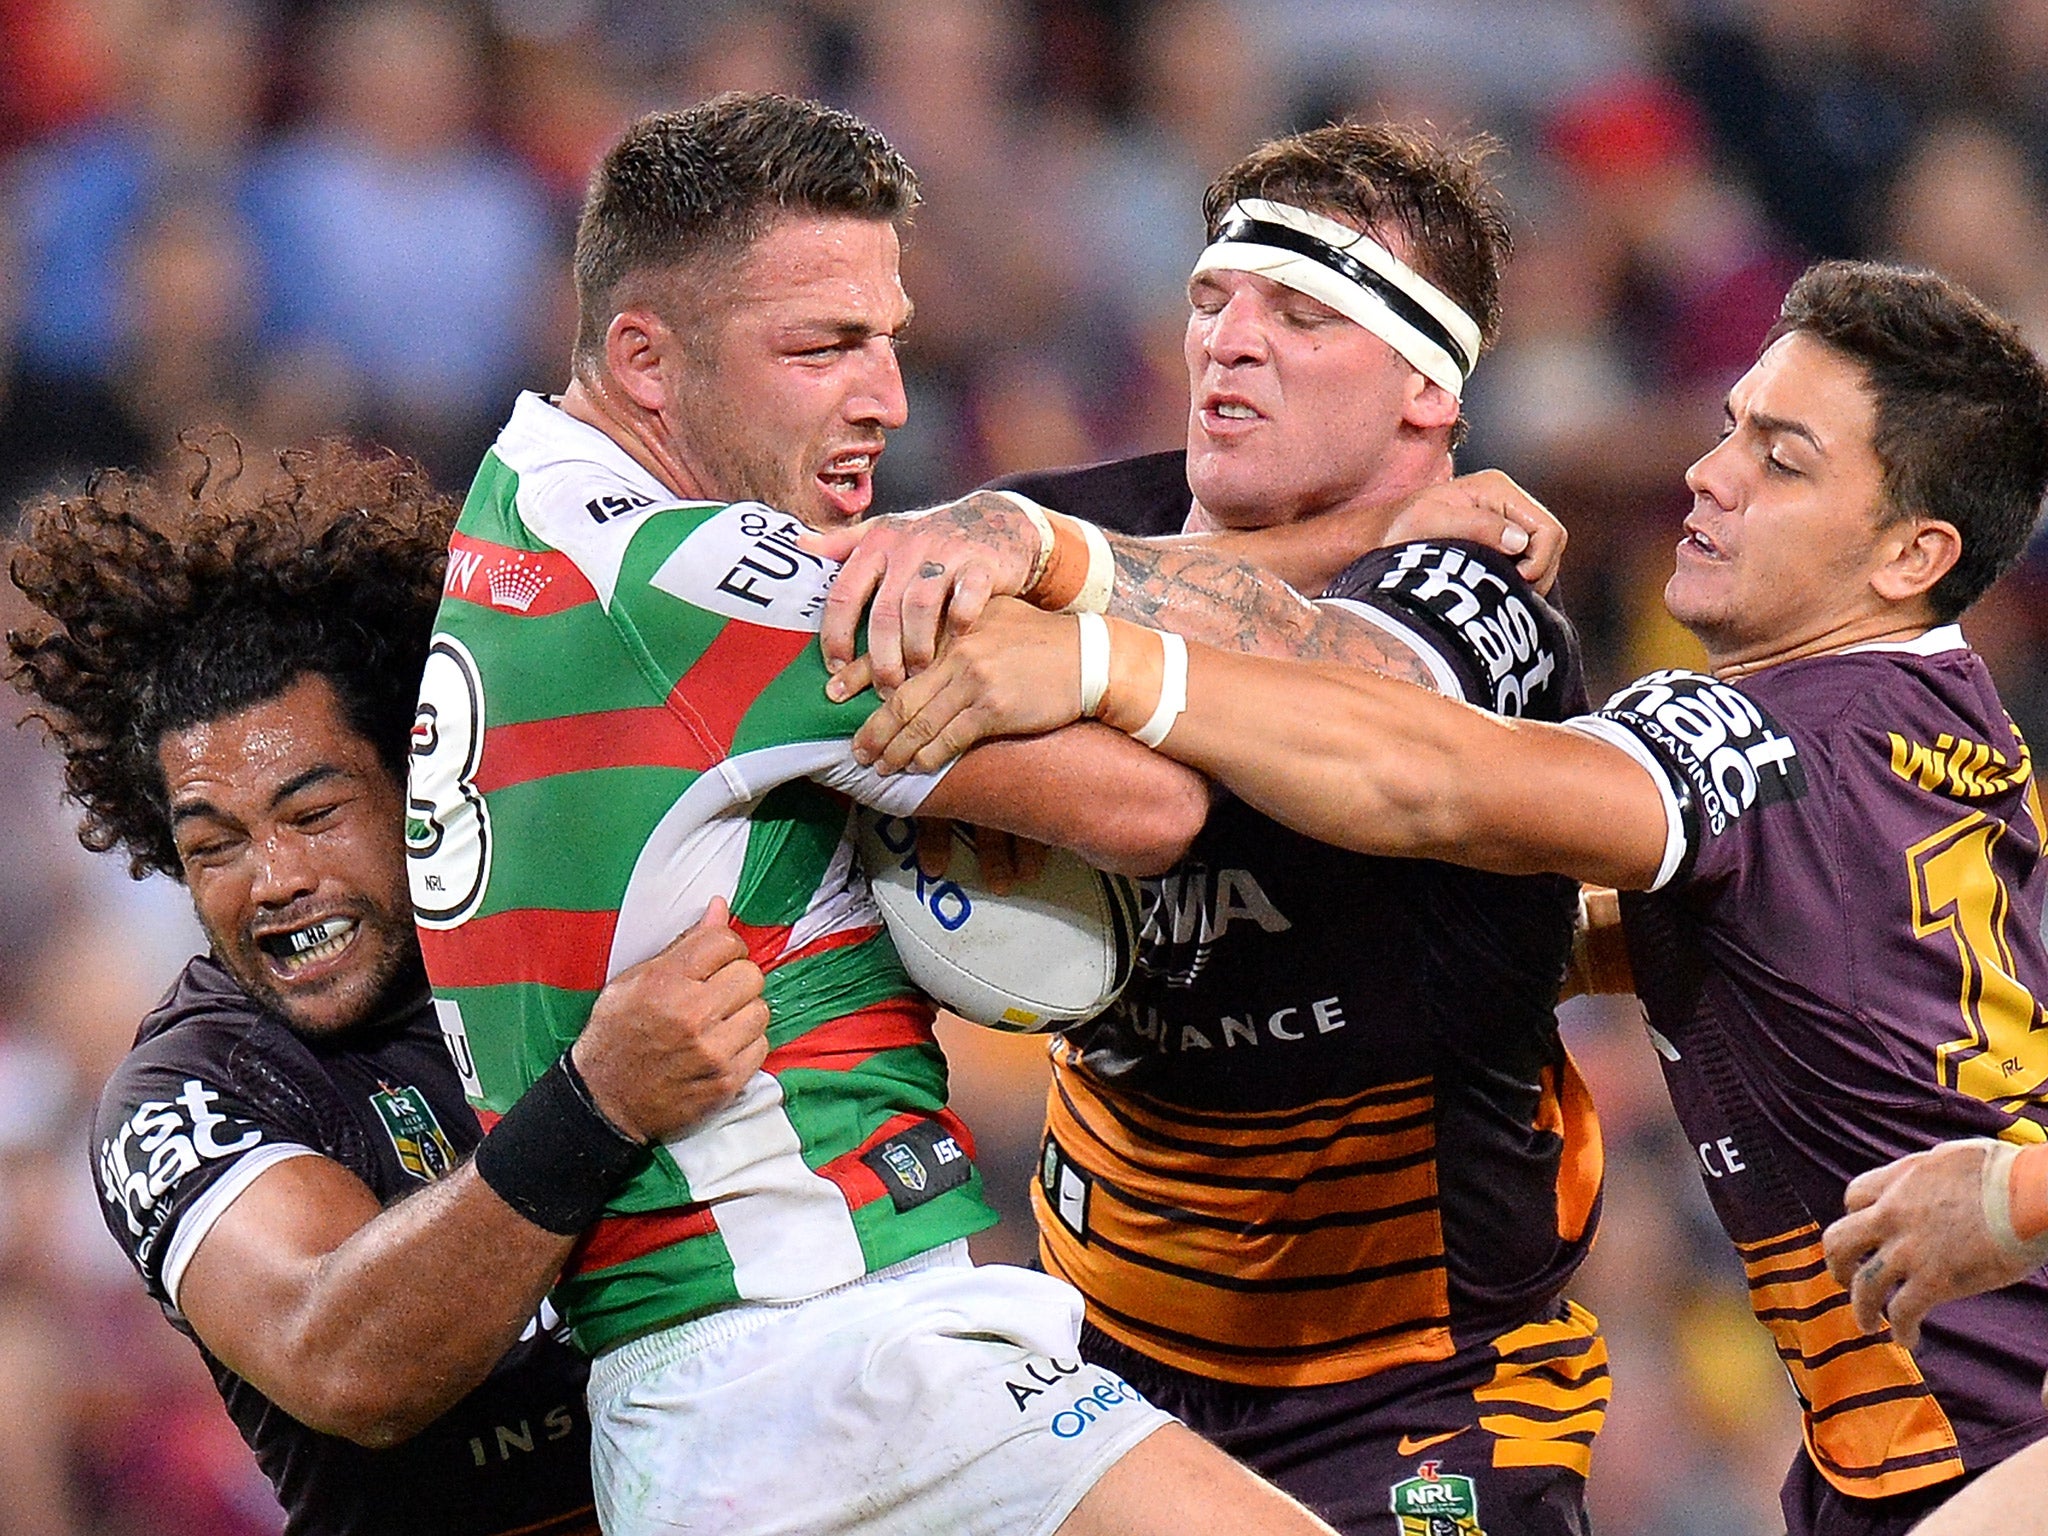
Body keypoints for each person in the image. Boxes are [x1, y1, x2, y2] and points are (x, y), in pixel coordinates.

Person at [843, 258, 2048, 1536]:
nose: (1709, 473)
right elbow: (1705, 953)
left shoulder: (1767, 744)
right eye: (1728, 425)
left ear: (1914, 553)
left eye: (1782, 459)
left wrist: (1097, 659)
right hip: (1898, 1452)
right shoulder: (1931, 727)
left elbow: (1426, 775)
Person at [406, 91, 1355, 1536]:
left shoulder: (532, 511)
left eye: (889, 337)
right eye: (822, 348)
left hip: (738, 1401)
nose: (887, 398)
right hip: (814, 1362)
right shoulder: (689, 578)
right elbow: (1147, 798)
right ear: (645, 359)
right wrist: (1356, 550)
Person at [805, 120, 1607, 1536]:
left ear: (1430, 386)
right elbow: (823, 593)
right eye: (1210, 301)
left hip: (1415, 1384)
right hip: (1098, 1367)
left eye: (1302, 316)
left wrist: (1071, 602)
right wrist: (1060, 550)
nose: (1230, 343)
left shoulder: (1482, 593)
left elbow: (1352, 687)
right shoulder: (1074, 525)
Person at [5, 439, 774, 1536]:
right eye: (214, 845)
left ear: (423, 778)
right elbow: (346, 1360)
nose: (275, 882)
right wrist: (596, 1105)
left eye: (314, 814)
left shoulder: (582, 922)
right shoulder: (181, 1092)